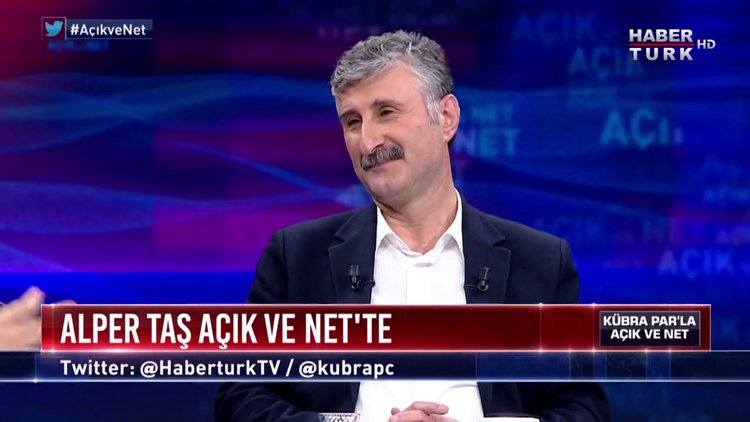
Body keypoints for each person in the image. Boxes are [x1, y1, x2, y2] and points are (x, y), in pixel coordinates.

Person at [215, 30, 609, 421]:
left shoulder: (540, 262)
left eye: (386, 112)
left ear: (446, 118)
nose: (368, 141)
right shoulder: (296, 257)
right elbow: (240, 397)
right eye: (352, 121)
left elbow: (583, 409)